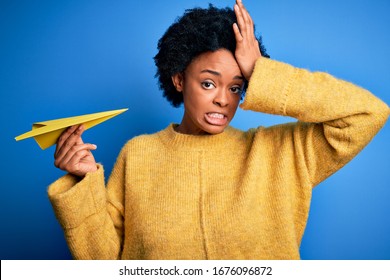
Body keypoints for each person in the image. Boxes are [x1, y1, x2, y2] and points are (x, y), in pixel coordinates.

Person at [48, 0, 389, 259]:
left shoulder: (279, 152)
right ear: (179, 79)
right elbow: (105, 263)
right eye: (209, 83)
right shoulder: (137, 155)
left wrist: (261, 72)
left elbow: (367, 113)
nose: (224, 100)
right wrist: (83, 181)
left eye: (237, 87)